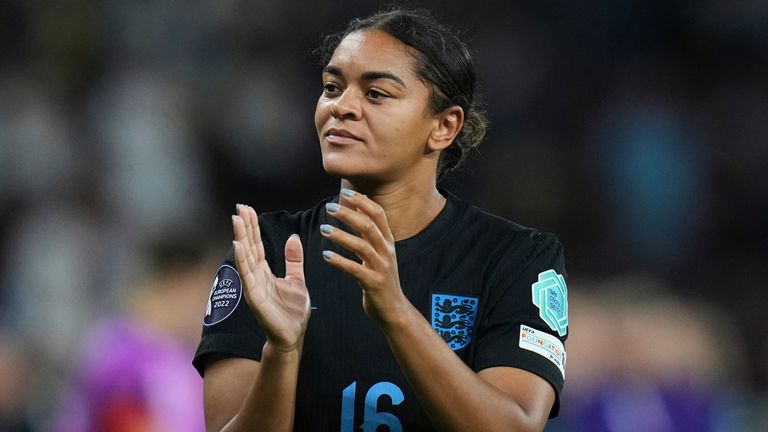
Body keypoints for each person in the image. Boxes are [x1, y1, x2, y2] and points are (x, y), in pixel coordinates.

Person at [193, 8, 569, 431]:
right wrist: (281, 351)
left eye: (376, 94)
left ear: (444, 126)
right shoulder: (270, 252)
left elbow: (515, 427)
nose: (342, 107)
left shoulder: (515, 260)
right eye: (332, 88)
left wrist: (395, 311)